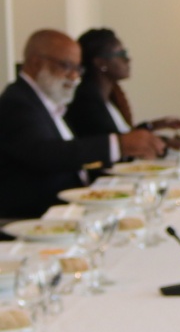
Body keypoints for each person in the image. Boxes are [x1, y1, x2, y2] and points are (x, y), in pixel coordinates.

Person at [0, 30, 164, 219]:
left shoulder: (48, 102)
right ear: (36, 63)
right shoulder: (17, 102)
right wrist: (118, 145)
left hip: (67, 211)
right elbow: (46, 154)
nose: (74, 76)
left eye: (78, 69)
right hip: (36, 218)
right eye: (66, 66)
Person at [65, 28, 180, 141]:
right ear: (101, 63)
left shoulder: (110, 96)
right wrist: (164, 144)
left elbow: (123, 136)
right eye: (121, 54)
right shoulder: (86, 101)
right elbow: (115, 145)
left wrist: (153, 126)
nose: (128, 59)